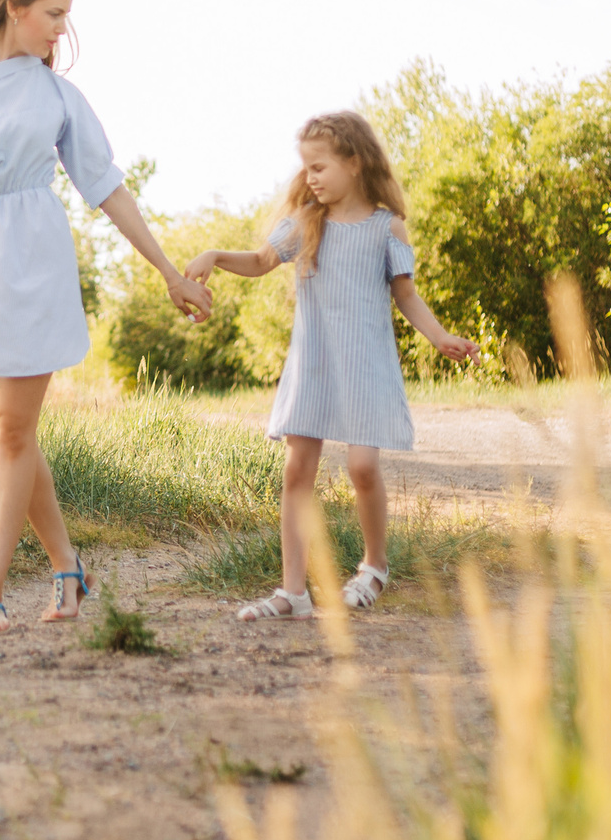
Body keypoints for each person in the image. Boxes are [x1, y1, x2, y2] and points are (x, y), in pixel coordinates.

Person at [0, 0, 214, 636]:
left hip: (35, 262)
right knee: (10, 434)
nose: (62, 32)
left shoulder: (54, 93)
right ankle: (69, 569)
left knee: (13, 432)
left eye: (66, 15)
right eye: (54, 14)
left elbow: (106, 184)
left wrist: (168, 270)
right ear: (14, 5)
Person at [184, 111, 479, 620]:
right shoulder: (304, 224)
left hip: (366, 364)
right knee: (297, 469)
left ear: (355, 162)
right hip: (313, 365)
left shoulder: (388, 228)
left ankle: (374, 568)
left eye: (319, 167)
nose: (310, 178)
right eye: (306, 169)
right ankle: (292, 591)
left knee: (363, 468)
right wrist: (213, 254)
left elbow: (406, 295)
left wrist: (441, 337)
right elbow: (258, 262)